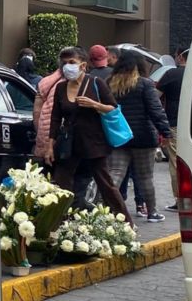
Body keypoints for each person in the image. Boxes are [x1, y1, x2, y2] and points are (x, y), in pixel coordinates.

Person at [47, 47, 133, 224]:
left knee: (105, 184)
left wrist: (94, 104)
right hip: (69, 143)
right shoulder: (61, 88)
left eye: (72, 63)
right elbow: (55, 117)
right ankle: (56, 224)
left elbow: (112, 108)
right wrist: (49, 145)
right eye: (64, 63)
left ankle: (126, 223)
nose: (67, 67)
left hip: (94, 142)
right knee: (60, 183)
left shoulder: (96, 83)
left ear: (83, 65)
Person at [107, 51, 171, 223]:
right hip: (143, 137)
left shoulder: (110, 84)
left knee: (115, 174)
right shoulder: (145, 84)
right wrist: (165, 132)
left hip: (118, 137)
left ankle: (105, 209)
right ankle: (152, 213)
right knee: (145, 177)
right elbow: (155, 110)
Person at [157, 47, 189, 212]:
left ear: (181, 57)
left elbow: (154, 96)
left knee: (177, 162)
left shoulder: (171, 74)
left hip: (175, 123)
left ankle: (182, 201)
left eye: (176, 56)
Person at [33, 47, 75, 163]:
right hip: (61, 137)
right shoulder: (69, 84)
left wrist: (39, 132)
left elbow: (36, 111)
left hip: (44, 134)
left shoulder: (45, 82)